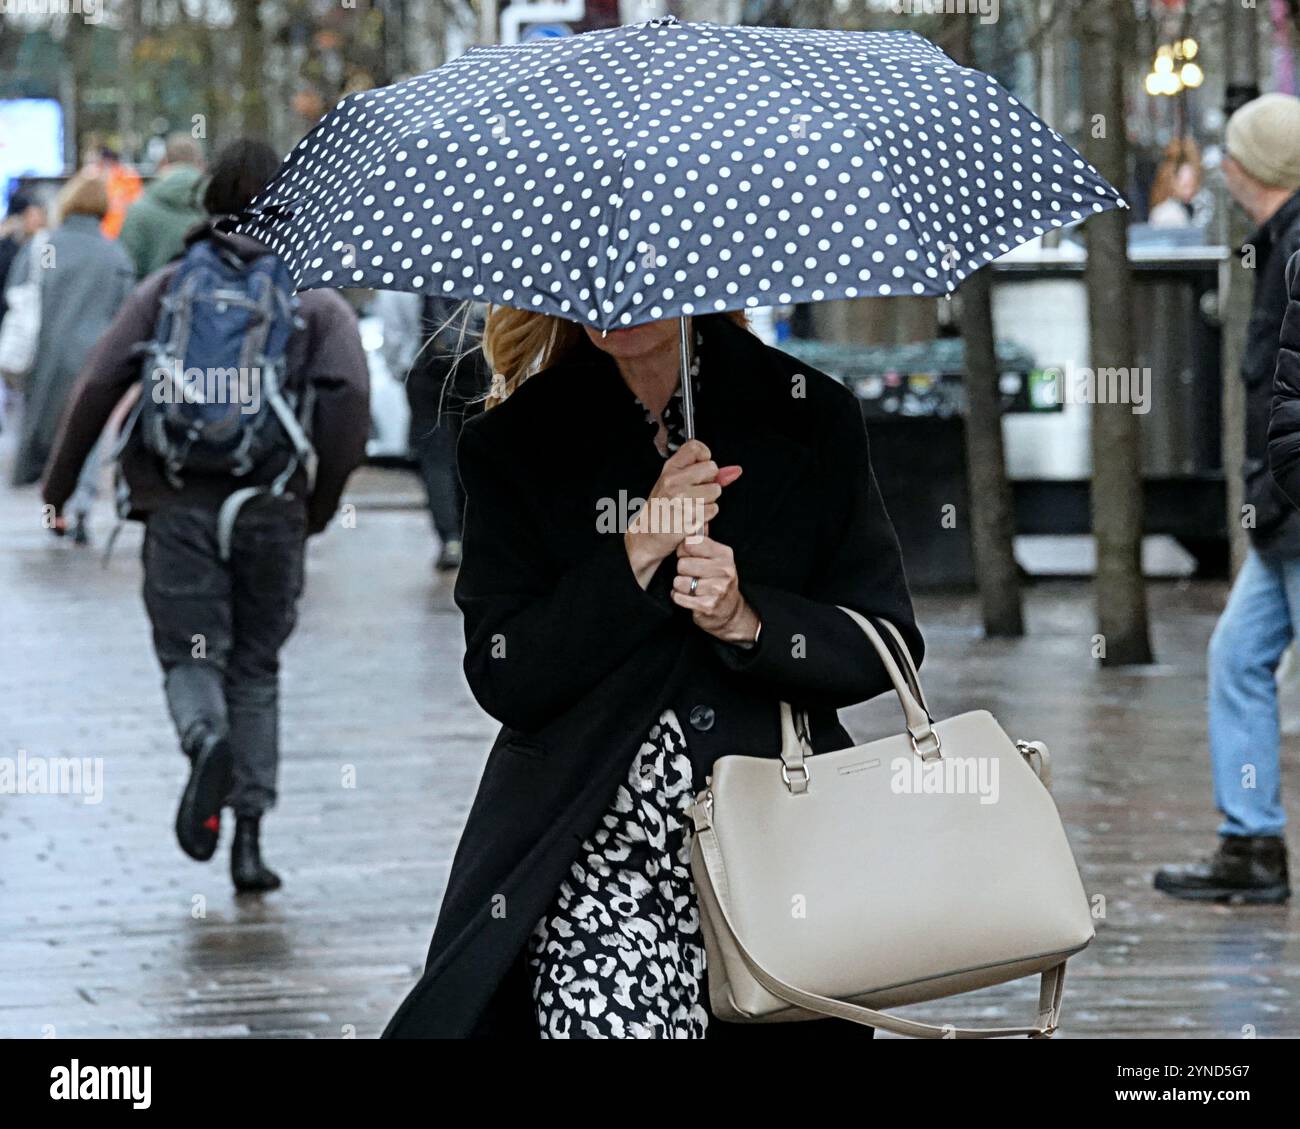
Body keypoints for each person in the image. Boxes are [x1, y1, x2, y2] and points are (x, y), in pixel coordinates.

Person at [382, 308, 922, 1039]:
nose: (622, 310)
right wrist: (638, 548)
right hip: (593, 852)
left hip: (775, 843)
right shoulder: (514, 442)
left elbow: (884, 636)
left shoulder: (810, 412)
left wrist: (748, 620)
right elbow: (505, 670)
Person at [41, 139, 371, 894]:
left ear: (210, 197)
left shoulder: (168, 287)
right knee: (255, 664)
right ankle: (248, 841)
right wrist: (314, 507)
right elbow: (348, 399)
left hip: (179, 503)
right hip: (269, 510)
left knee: (192, 655)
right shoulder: (311, 294)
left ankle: (204, 736)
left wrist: (60, 489)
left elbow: (96, 383)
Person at [1154, 93, 1300, 905]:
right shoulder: (1278, 241)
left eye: (1234, 153)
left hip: (1292, 509)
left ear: (1255, 169)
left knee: (1243, 660)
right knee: (1237, 657)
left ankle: (1251, 842)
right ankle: (1250, 842)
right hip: (1283, 514)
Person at [9, 172, 134, 488]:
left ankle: (48, 493)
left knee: (41, 423)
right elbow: (126, 312)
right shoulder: (114, 254)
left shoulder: (42, 247)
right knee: (86, 430)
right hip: (95, 358)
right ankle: (79, 502)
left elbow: (16, 292)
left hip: (44, 355)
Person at [403, 296, 489, 571]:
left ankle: (450, 539)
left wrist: (403, 370)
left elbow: (395, 335)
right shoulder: (484, 268)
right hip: (475, 370)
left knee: (435, 459)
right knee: (473, 453)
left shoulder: (404, 273)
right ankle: (472, 535)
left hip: (424, 373)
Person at [119, 134, 206, 278]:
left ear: (163, 162)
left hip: (151, 297)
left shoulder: (137, 210)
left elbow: (127, 268)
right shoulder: (219, 207)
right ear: (201, 164)